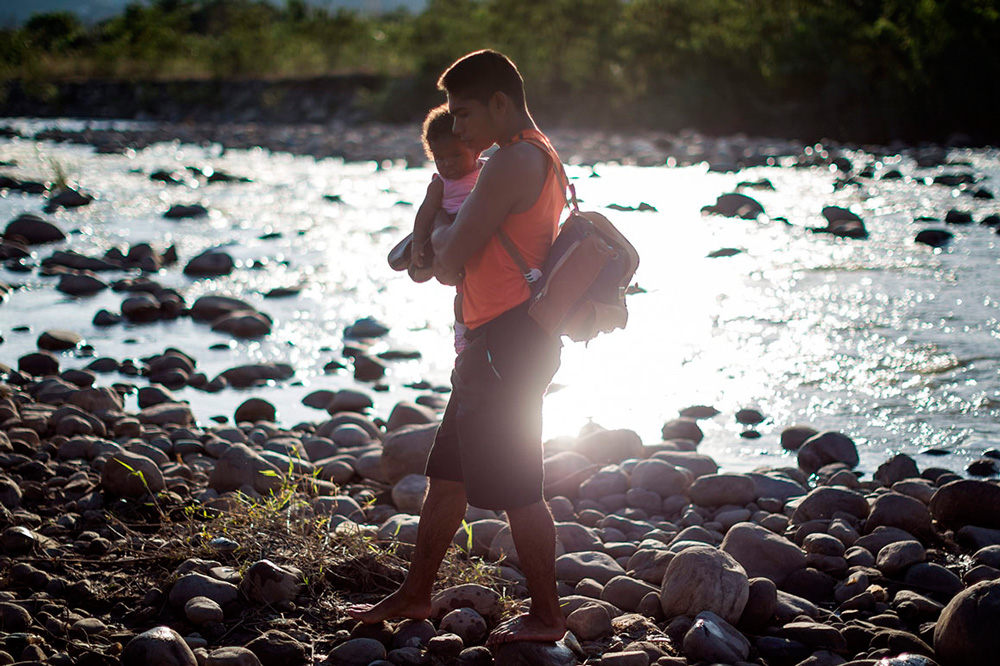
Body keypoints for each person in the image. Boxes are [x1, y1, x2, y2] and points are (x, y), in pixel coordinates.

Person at [348, 49, 568, 647]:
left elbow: (447, 264)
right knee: (447, 477)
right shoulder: (539, 152)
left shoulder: (508, 165)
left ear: (500, 102)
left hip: (506, 344)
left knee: (520, 489)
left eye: (465, 113)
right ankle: (417, 593)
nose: (459, 128)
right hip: (495, 343)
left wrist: (429, 231)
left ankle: (548, 616)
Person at [406, 103, 487, 353]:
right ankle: (461, 330)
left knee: (481, 287)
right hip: (453, 242)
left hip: (482, 239)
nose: (448, 164)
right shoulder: (441, 184)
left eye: (455, 155)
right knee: (462, 295)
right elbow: (425, 214)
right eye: (439, 158)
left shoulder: (488, 171)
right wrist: (418, 242)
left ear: (474, 149)